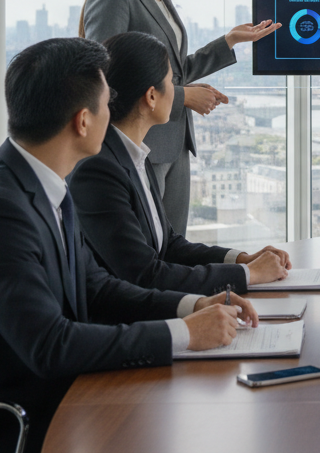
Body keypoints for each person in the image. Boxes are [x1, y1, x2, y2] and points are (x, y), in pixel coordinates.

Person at [0, 38, 258, 453]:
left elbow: (96, 286)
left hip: (49, 396)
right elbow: (51, 346)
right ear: (83, 121)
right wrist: (183, 333)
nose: (113, 113)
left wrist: (191, 306)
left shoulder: (43, 183)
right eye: (107, 103)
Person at [80, 0, 281, 235]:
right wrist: (185, 96)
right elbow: (107, 78)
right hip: (139, 146)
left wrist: (229, 41)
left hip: (174, 144)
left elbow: (169, 70)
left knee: (174, 248)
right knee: (147, 252)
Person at [70, 31, 292, 295]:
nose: (178, 92)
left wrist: (243, 259)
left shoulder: (134, 155)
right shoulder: (99, 170)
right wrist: (248, 275)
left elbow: (170, 246)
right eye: (171, 81)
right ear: (151, 97)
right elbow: (145, 274)